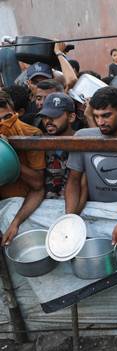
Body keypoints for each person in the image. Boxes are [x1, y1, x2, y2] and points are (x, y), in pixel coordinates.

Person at [65, 86, 117, 247]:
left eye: (106, 115)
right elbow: (73, 181)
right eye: (96, 116)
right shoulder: (83, 138)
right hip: (93, 213)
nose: (100, 122)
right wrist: (69, 220)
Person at [0, 91, 45, 246]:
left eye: (7, 117)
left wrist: (10, 157)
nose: (4, 125)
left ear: (16, 113)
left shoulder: (31, 134)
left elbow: (38, 186)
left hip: (24, 206)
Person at [38, 92, 87, 200]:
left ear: (71, 117)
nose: (48, 121)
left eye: (55, 116)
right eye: (44, 117)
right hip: (44, 206)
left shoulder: (82, 140)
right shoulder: (40, 141)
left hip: (75, 204)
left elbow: (84, 186)